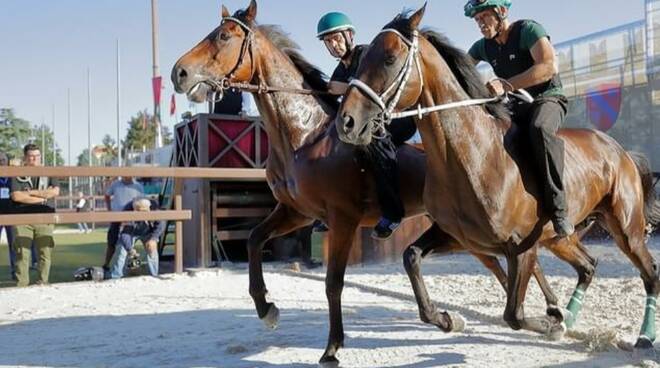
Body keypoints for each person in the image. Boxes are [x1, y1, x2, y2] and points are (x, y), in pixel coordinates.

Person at [464, 0, 573, 237]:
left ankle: (560, 209)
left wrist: (506, 86)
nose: (481, 24)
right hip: (516, 103)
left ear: (501, 12)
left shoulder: (529, 30)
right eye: (477, 20)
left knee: (539, 128)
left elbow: (548, 67)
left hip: (547, 98)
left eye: (484, 17)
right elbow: (459, 68)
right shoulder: (482, 46)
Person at [317, 12, 417, 239]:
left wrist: (341, 88)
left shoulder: (366, 54)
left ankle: (393, 213)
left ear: (349, 35)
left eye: (336, 38)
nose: (333, 45)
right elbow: (332, 92)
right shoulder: (340, 69)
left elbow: (363, 87)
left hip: (397, 119)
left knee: (374, 142)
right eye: (328, 41)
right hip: (369, 122)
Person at [10, 144, 59, 286]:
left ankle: (43, 282)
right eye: (31, 157)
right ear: (25, 157)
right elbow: (16, 196)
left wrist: (30, 192)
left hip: (45, 216)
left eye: (37, 156)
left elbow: (54, 192)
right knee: (21, 253)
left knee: (45, 252)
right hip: (22, 217)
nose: (34, 159)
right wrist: (42, 197)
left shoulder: (48, 171)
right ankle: (22, 285)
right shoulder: (17, 173)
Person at [108, 198, 165, 279]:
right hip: (131, 232)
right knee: (122, 250)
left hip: (147, 231)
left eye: (145, 211)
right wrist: (130, 249)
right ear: (135, 210)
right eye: (140, 211)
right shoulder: (127, 211)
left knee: (152, 249)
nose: (143, 214)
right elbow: (125, 234)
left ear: (149, 208)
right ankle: (116, 275)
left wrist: (154, 238)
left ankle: (154, 275)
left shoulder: (155, 208)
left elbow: (161, 224)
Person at [103, 176, 144, 270]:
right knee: (111, 243)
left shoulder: (138, 186)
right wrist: (109, 209)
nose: (127, 177)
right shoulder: (115, 184)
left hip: (132, 219)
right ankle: (106, 264)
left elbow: (141, 202)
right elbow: (107, 195)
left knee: (124, 243)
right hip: (116, 218)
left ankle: (119, 271)